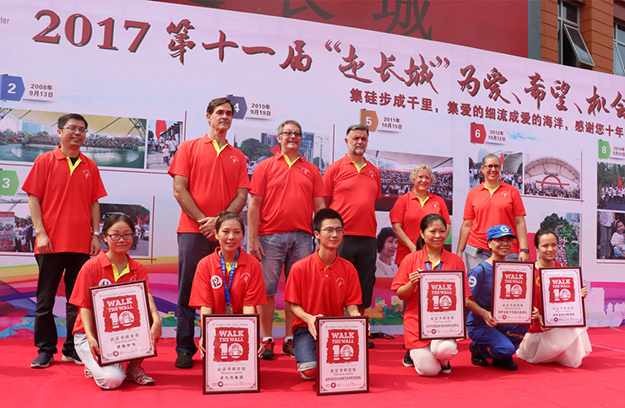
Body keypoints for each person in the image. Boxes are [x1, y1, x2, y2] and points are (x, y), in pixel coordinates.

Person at [168, 97, 250, 369]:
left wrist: (220, 224)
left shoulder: (238, 156)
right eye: (219, 112)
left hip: (226, 235)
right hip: (192, 231)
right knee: (187, 290)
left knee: (226, 290)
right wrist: (204, 221)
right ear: (208, 116)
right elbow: (179, 189)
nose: (225, 117)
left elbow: (242, 196)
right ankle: (184, 347)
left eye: (229, 113)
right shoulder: (189, 147)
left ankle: (220, 346)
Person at [23, 113, 107, 369]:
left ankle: (72, 349)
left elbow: (94, 203)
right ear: (59, 132)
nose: (77, 133)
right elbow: (33, 198)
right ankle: (45, 349)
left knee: (76, 301)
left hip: (81, 245)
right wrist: (40, 232)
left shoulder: (90, 166)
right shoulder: (45, 160)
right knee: (45, 300)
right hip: (50, 244)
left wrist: (95, 235)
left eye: (82, 129)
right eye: (72, 128)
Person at [248, 120, 326, 360]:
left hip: (303, 237)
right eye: (288, 133)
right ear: (279, 138)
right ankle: (267, 339)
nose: (292, 137)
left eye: (297, 134)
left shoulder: (312, 170)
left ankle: (290, 339)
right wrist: (252, 238)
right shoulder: (265, 166)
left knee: (297, 292)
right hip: (269, 236)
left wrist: (322, 238)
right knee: (266, 290)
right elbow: (254, 205)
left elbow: (320, 207)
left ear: (301, 139)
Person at [69, 214, 161, 389]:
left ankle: (133, 368)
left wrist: (156, 319)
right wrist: (90, 337)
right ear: (105, 237)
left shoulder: (138, 268)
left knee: (147, 316)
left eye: (127, 235)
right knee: (113, 380)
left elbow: (147, 297)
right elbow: (84, 306)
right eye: (115, 235)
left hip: (120, 332)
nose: (122, 240)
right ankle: (94, 364)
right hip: (91, 335)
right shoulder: (91, 267)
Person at [284, 208, 362, 380]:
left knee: (345, 371)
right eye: (329, 230)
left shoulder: (349, 268)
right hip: (306, 328)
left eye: (339, 230)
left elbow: (351, 303)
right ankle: (312, 357)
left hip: (337, 329)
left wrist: (356, 316)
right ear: (317, 234)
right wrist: (309, 318)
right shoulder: (299, 268)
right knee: (310, 372)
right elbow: (293, 305)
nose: (335, 235)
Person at [323, 124, 381, 345]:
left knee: (364, 286)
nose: (360, 142)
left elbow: (371, 202)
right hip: (341, 238)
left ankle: (359, 330)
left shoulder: (374, 171)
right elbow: (325, 205)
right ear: (347, 141)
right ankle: (335, 330)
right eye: (355, 138)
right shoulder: (335, 169)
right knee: (337, 284)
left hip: (368, 237)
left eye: (363, 138)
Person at [391, 214, 468, 376]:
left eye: (442, 231)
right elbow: (401, 294)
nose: (438, 235)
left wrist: (461, 326)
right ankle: (413, 352)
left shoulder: (456, 261)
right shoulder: (410, 259)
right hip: (417, 325)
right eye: (432, 231)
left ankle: (443, 359)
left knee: (446, 349)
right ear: (422, 233)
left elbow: (463, 297)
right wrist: (411, 283)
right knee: (429, 371)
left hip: (445, 325)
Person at [188, 212, 267, 354]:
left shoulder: (253, 264)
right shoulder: (205, 265)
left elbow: (249, 306)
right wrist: (206, 336)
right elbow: (206, 306)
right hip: (213, 327)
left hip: (241, 327)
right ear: (216, 234)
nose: (231, 237)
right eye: (225, 232)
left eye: (237, 232)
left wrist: (251, 337)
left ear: (242, 236)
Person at [516, 229, 592, 367]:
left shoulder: (563, 269)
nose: (550, 249)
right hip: (537, 329)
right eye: (545, 246)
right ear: (536, 248)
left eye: (554, 245)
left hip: (557, 326)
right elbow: (524, 303)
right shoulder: (529, 271)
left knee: (578, 325)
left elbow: (568, 301)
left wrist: (578, 295)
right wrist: (539, 318)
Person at [465, 224, 532, 370]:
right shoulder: (480, 271)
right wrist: (484, 313)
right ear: (489, 243)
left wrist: (530, 310)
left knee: (526, 320)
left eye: (508, 240)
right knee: (507, 349)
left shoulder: (513, 270)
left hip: (503, 319)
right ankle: (479, 348)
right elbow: (467, 300)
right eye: (500, 240)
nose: (505, 244)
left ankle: (501, 354)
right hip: (481, 322)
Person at [456, 154, 529, 272]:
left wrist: (524, 250)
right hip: (477, 250)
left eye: (496, 166)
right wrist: (459, 251)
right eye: (489, 166)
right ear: (483, 169)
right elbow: (467, 225)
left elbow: (519, 222)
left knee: (505, 284)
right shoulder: (473, 193)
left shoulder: (512, 191)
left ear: (500, 168)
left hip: (506, 250)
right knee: (478, 284)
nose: (493, 170)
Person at [390, 164, 450, 267]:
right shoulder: (403, 200)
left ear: (431, 181)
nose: (424, 180)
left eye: (427, 178)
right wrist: (413, 248)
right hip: (408, 254)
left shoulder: (439, 201)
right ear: (413, 179)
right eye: (420, 177)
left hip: (434, 256)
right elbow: (396, 228)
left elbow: (447, 225)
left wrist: (435, 245)